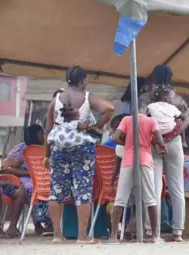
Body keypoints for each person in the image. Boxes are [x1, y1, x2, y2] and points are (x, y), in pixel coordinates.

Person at [44, 66, 114, 244]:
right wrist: (96, 125)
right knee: (83, 190)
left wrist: (47, 155)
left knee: (56, 191)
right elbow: (109, 108)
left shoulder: (57, 99)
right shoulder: (87, 97)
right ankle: (82, 236)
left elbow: (49, 130)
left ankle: (57, 235)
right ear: (82, 80)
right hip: (82, 148)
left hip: (58, 148)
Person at [139, 64, 189, 242]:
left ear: (152, 78)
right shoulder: (177, 98)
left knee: (153, 188)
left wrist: (159, 138)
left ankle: (152, 231)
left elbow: (141, 118)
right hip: (174, 143)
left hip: (153, 142)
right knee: (177, 188)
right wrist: (172, 134)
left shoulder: (146, 97)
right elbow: (187, 119)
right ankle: (178, 232)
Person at [108, 103, 167, 243]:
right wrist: (160, 146)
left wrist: (128, 144)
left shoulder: (126, 120)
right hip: (145, 160)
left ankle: (113, 236)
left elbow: (115, 138)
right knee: (150, 199)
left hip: (128, 160)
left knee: (120, 199)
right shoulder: (151, 120)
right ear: (146, 111)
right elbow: (159, 140)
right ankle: (154, 235)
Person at [1, 124, 52, 236]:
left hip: (43, 178)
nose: (43, 136)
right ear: (36, 135)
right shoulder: (21, 149)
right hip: (24, 178)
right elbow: (8, 169)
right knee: (33, 188)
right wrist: (29, 173)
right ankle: (38, 225)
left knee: (52, 187)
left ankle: (50, 224)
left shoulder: (46, 148)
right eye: (41, 133)